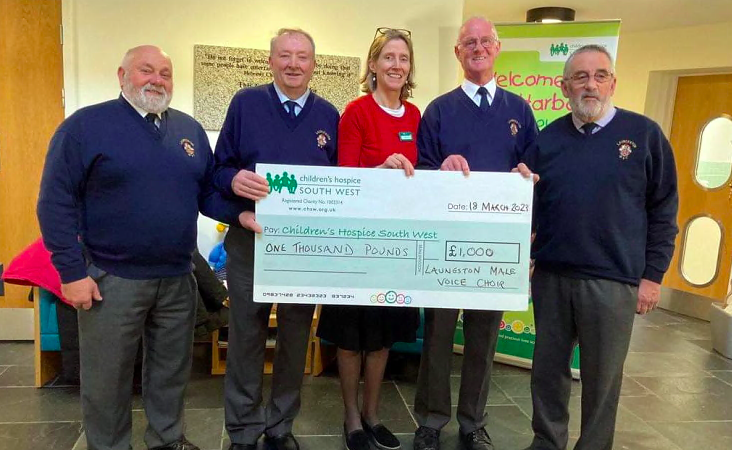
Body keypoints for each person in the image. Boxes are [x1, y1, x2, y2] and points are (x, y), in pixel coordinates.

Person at [36, 45, 230, 450]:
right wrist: (71, 273)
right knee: (107, 377)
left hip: (178, 277)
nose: (157, 80)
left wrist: (243, 208)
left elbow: (208, 194)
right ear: (122, 75)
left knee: (170, 372)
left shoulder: (189, 130)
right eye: (146, 70)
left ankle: (166, 440)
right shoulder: (84, 127)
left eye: (165, 72)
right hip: (111, 278)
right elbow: (54, 202)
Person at [522, 45, 678, 450]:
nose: (590, 84)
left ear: (612, 83)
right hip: (553, 277)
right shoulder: (548, 139)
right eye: (580, 77)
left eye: (600, 75)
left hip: (613, 282)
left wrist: (652, 277)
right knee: (547, 371)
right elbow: (532, 204)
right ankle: (547, 441)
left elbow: (664, 209)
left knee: (602, 378)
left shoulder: (645, 136)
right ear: (563, 86)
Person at [203, 28, 339, 450]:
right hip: (251, 242)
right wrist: (235, 183)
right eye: (285, 55)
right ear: (271, 61)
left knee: (297, 337)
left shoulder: (330, 115)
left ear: (314, 64)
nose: (293, 64)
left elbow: (342, 184)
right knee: (245, 337)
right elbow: (215, 175)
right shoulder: (246, 104)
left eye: (302, 56)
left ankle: (281, 427)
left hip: (303, 251)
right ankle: (243, 430)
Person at [414, 16, 539, 450]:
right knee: (438, 337)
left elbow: (534, 175)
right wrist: (440, 167)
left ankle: (473, 423)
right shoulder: (439, 110)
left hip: (497, 248)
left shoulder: (520, 111)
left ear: (497, 48)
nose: (478, 48)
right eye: (469, 42)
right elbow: (421, 174)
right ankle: (430, 420)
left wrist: (528, 183)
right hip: (445, 246)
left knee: (483, 340)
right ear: (458, 52)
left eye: (485, 41)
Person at [316, 27, 421, 450]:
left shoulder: (416, 116)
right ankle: (351, 418)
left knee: (381, 338)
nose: (396, 65)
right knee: (351, 337)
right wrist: (380, 171)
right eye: (389, 57)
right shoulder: (355, 112)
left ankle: (375, 415)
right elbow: (344, 177)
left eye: (403, 58)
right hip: (356, 244)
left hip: (397, 246)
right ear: (373, 65)